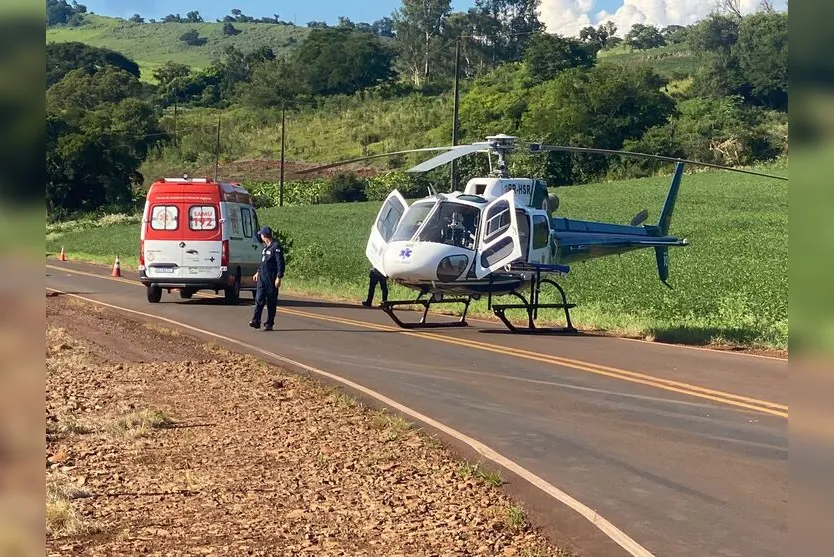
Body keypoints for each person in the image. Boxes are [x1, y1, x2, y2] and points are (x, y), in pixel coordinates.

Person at [249, 226, 285, 331]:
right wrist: (257, 272)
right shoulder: (265, 247)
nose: (260, 236)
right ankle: (256, 321)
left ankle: (269, 323)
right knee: (259, 300)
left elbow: (280, 263)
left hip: (271, 278)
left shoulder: (276, 247)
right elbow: (263, 262)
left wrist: (279, 277)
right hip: (262, 278)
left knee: (271, 302)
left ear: (264, 235)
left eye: (261, 234)